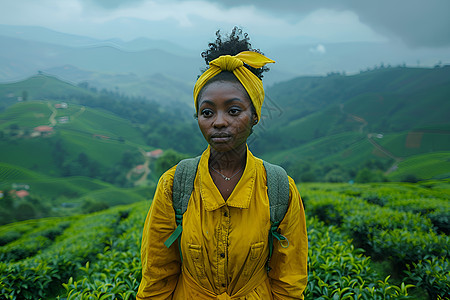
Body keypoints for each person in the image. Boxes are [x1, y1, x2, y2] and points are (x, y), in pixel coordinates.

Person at [137, 27, 308, 299]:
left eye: (234, 110)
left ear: (255, 116)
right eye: (207, 112)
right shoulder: (175, 184)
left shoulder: (278, 188)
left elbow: (289, 279)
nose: (218, 122)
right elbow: (157, 273)